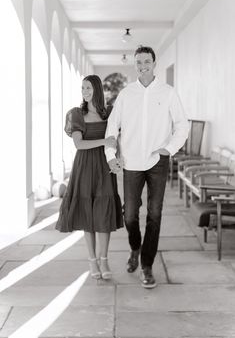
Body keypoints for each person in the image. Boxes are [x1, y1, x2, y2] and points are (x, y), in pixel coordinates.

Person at [105, 46, 189, 289]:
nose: (143, 65)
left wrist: (169, 149)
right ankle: (135, 247)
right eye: (139, 62)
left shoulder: (168, 92)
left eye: (147, 61)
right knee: (130, 214)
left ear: (154, 63)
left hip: (157, 162)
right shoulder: (126, 94)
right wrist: (111, 155)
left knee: (154, 214)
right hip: (131, 162)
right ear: (135, 65)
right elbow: (112, 128)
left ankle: (147, 265)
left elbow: (182, 125)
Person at [56, 74, 123, 280]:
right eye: (82, 88)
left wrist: (117, 157)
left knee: (103, 213)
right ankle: (92, 260)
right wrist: (104, 141)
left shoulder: (110, 112)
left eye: (88, 88)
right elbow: (79, 144)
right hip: (84, 166)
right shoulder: (76, 114)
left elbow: (116, 139)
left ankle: (104, 259)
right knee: (88, 215)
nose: (84, 92)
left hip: (104, 167)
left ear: (97, 90)